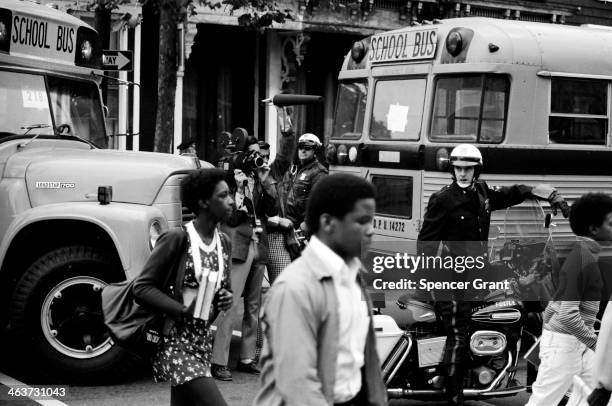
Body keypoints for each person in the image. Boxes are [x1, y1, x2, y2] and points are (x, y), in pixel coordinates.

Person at [416, 144, 570, 406]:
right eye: (458, 168)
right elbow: (427, 244)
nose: (463, 173)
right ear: (453, 170)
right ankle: (454, 397)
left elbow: (514, 192)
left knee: (523, 308)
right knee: (459, 332)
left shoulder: (482, 192)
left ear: (477, 170)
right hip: (450, 277)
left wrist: (550, 194)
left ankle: (534, 383)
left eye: (468, 168)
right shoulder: (443, 199)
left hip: (478, 271)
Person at [254, 173, 387, 406]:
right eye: (362, 221)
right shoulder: (295, 288)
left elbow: (365, 364)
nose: (370, 230)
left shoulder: (353, 276)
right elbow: (298, 385)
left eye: (372, 221)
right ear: (327, 223)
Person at [133, 168, 234, 406]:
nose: (231, 201)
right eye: (223, 196)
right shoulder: (177, 238)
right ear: (203, 202)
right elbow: (142, 288)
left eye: (231, 195)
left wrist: (225, 297)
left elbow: (223, 288)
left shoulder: (225, 243)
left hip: (201, 344)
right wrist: (182, 310)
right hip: (174, 343)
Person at [527, 193, 612, 406]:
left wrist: (549, 333)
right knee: (543, 402)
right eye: (611, 223)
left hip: (572, 343)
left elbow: (555, 307)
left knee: (595, 396)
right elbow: (567, 314)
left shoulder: (583, 254)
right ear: (593, 229)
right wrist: (595, 343)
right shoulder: (583, 258)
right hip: (566, 344)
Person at [211, 136, 277, 381]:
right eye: (252, 153)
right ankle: (219, 361)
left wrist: (264, 179)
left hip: (259, 245)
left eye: (258, 153)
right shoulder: (229, 180)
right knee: (230, 302)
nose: (256, 157)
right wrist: (238, 192)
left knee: (253, 305)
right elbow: (229, 217)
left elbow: (273, 209)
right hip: (238, 243)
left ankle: (247, 357)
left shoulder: (259, 179)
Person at [282, 132, 328, 234]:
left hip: (303, 230)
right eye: (301, 147)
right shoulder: (295, 169)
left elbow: (319, 201)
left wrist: (307, 223)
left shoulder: (319, 171)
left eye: (307, 148)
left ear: (315, 151)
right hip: (288, 225)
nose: (303, 150)